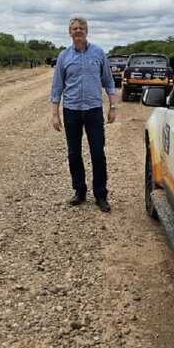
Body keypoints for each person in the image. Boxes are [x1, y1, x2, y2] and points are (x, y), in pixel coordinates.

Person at [50, 17, 117, 212]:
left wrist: (113, 107)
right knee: (74, 153)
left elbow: (109, 82)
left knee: (97, 152)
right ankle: (79, 191)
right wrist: (55, 114)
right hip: (71, 110)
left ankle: (101, 195)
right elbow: (57, 87)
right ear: (69, 32)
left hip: (93, 110)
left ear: (87, 31)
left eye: (81, 28)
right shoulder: (63, 56)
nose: (78, 31)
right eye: (74, 29)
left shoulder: (98, 53)